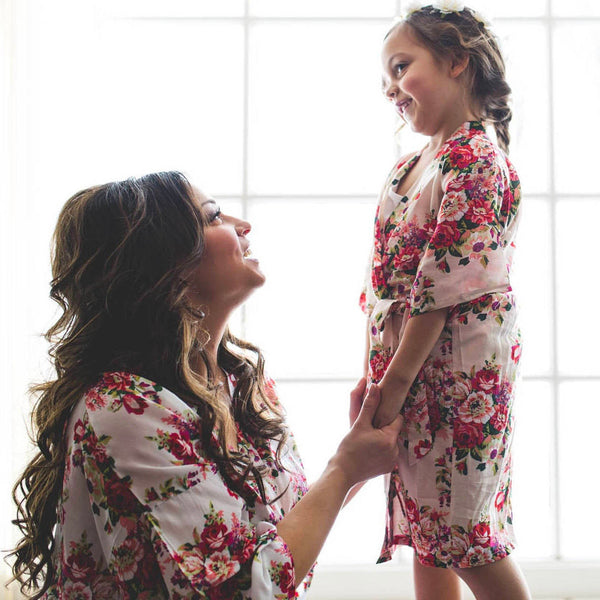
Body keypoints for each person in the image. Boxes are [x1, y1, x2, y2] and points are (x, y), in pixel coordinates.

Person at [10, 171, 403, 599]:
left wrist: (356, 457)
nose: (242, 224)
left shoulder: (240, 384)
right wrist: (344, 468)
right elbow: (239, 589)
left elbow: (282, 534)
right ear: (165, 261)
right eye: (213, 216)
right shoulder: (122, 409)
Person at [360, 4, 531, 600]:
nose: (391, 89)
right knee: (426, 528)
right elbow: (381, 284)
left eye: (401, 67)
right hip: (407, 371)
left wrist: (396, 385)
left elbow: (441, 285)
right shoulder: (407, 170)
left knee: (463, 531)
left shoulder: (477, 160)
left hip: (457, 378)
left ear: (457, 60)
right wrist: (372, 377)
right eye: (386, 78)